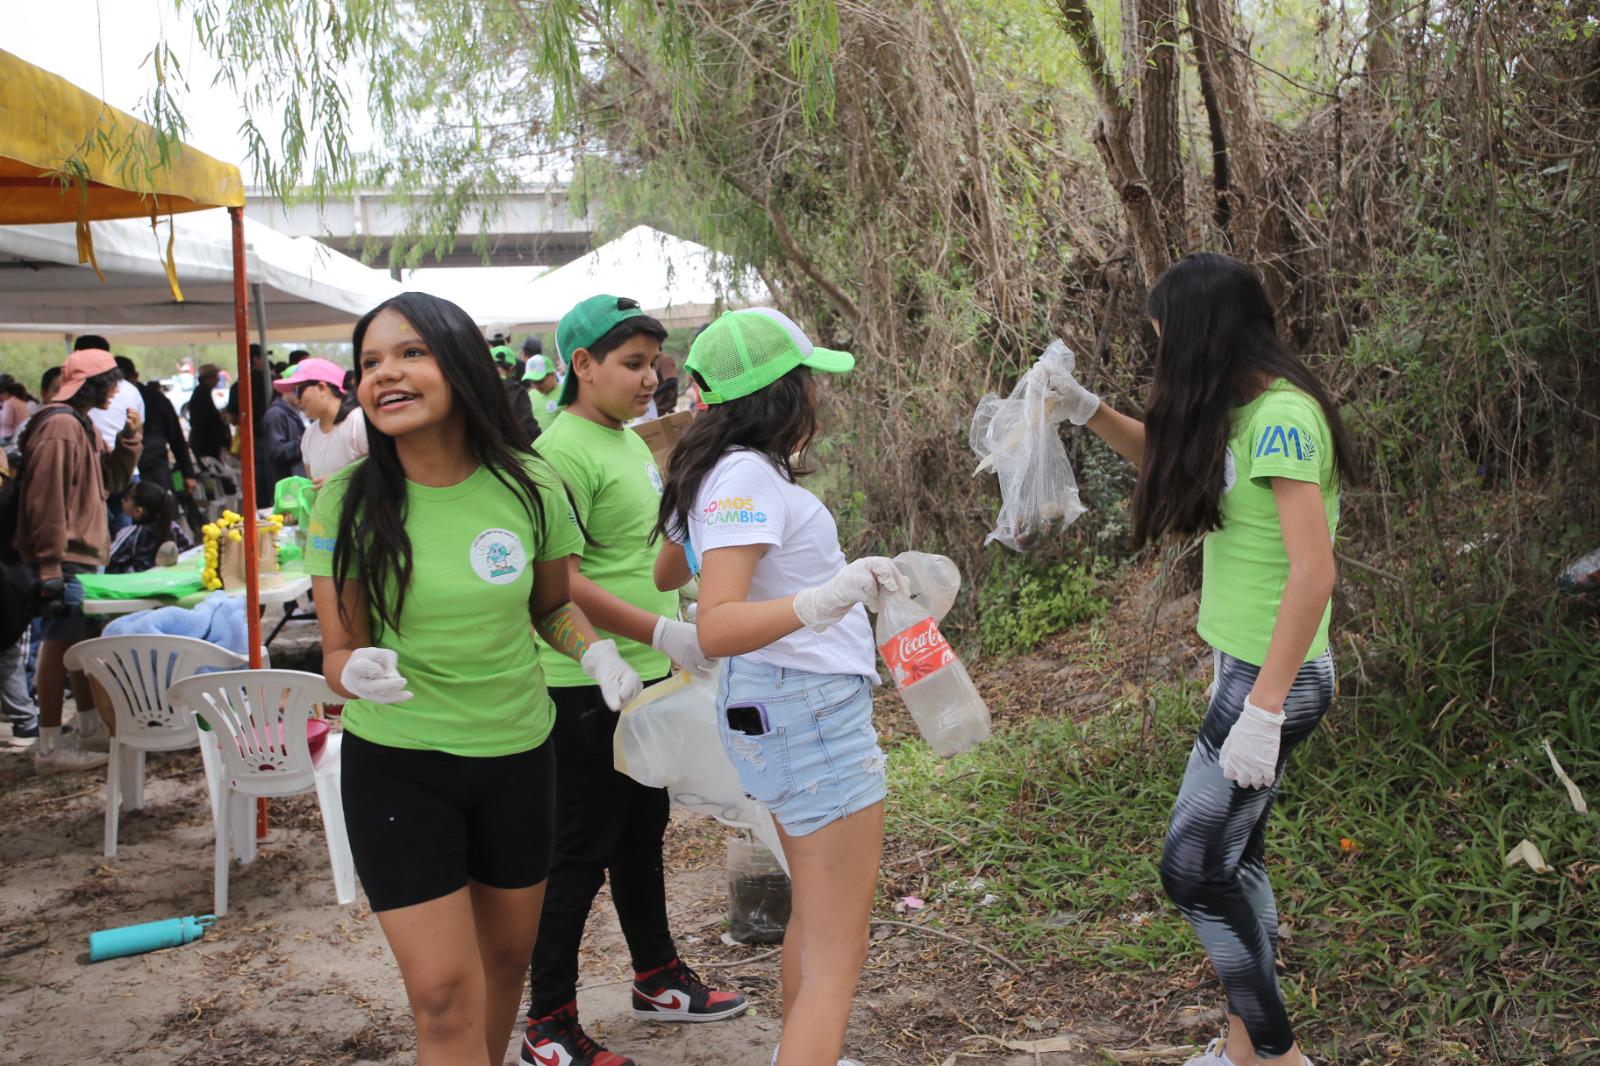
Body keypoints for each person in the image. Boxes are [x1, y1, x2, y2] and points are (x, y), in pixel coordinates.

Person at [307, 291, 639, 1065]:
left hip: (520, 759)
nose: (385, 373)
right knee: (443, 996)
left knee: (501, 971)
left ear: (457, 364)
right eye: (370, 362)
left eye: (410, 353)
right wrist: (352, 671)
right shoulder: (343, 504)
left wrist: (595, 652)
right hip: (401, 767)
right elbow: (335, 653)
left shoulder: (530, 485)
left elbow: (553, 607)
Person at [1041, 253, 1356, 1066]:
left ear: (1201, 337)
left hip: (1271, 682)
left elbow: (1315, 572)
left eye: (1163, 341)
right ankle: (1246, 1053)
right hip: (1250, 673)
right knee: (1234, 860)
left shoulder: (1284, 418)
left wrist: (1262, 710)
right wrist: (1087, 409)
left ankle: (1278, 1056)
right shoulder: (1243, 414)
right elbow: (1170, 457)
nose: (1160, 358)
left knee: (1191, 869)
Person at [653, 307, 901, 1066]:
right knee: (838, 947)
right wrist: (824, 598)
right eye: (808, 384)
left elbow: (668, 571)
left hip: (779, 704)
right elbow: (719, 622)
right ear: (782, 395)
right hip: (806, 709)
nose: (817, 401)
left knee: (814, 918)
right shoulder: (745, 474)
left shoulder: (718, 471)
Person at [521, 295, 745, 1066]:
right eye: (631, 363)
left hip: (647, 678)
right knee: (576, 854)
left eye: (654, 362)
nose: (650, 378)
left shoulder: (622, 439)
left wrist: (676, 615)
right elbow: (563, 583)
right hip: (585, 683)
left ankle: (657, 977)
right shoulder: (561, 454)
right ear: (580, 366)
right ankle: (548, 1020)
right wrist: (657, 630)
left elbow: (629, 558)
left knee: (641, 836)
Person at [13, 348, 142, 774]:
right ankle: (49, 747)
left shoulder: (80, 425)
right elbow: (44, 499)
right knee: (59, 644)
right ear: (94, 386)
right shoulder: (61, 427)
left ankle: (88, 729)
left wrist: (129, 442)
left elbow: (109, 482)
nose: (116, 391)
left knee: (81, 644)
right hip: (65, 557)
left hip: (79, 557)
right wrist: (49, 564)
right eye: (111, 383)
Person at [118, 357, 199, 517]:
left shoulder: (155, 400)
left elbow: (176, 438)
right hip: (125, 476)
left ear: (134, 377)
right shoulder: (107, 402)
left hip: (154, 471)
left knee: (163, 519)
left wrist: (188, 474)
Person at [276, 358, 368, 484]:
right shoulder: (308, 436)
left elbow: (383, 471)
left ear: (322, 388)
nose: (297, 401)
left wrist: (338, 483)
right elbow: (313, 485)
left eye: (298, 391)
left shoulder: (359, 422)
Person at [107, 481, 192, 573]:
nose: (122, 500)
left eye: (126, 499)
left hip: (138, 582)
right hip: (173, 577)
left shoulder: (131, 534)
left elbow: (110, 559)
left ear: (138, 511)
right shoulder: (173, 527)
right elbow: (190, 551)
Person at [255, 371, 307, 508]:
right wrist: (303, 442)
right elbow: (276, 451)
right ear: (287, 390)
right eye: (299, 390)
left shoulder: (292, 413)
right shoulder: (275, 415)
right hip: (285, 489)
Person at [493, 344, 540, 444]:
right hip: (511, 452)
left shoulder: (476, 389)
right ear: (512, 367)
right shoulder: (517, 391)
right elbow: (528, 428)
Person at [187, 363, 232, 463]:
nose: (218, 380)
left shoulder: (203, 393)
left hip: (205, 442)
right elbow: (204, 420)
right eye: (215, 377)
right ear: (208, 379)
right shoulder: (201, 395)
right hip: (205, 443)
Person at [227, 344, 270, 431]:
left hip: (248, 435)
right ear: (255, 359)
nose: (267, 362)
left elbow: (232, 419)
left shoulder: (237, 386)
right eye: (264, 358)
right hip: (270, 433)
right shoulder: (271, 382)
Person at [521, 355, 562, 434]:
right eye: (533, 382)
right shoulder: (529, 396)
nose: (536, 386)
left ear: (552, 374)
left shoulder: (566, 392)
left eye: (540, 381)